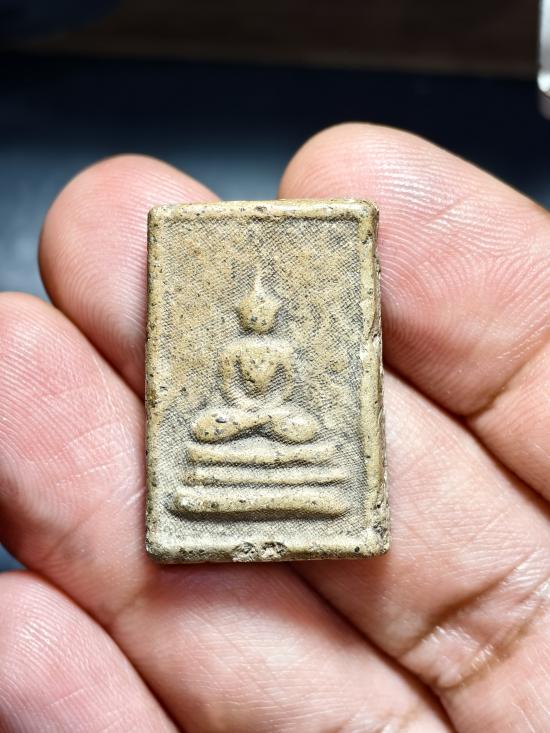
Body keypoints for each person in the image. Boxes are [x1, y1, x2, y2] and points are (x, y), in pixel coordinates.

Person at [0, 123, 548, 732]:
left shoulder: (283, 351)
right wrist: (247, 416)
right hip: (236, 423)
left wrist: (268, 417)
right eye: (253, 312)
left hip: (281, 423)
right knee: (210, 431)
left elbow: (284, 398)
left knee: (302, 429)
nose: (259, 319)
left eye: (266, 312)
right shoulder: (236, 350)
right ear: (244, 315)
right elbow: (232, 396)